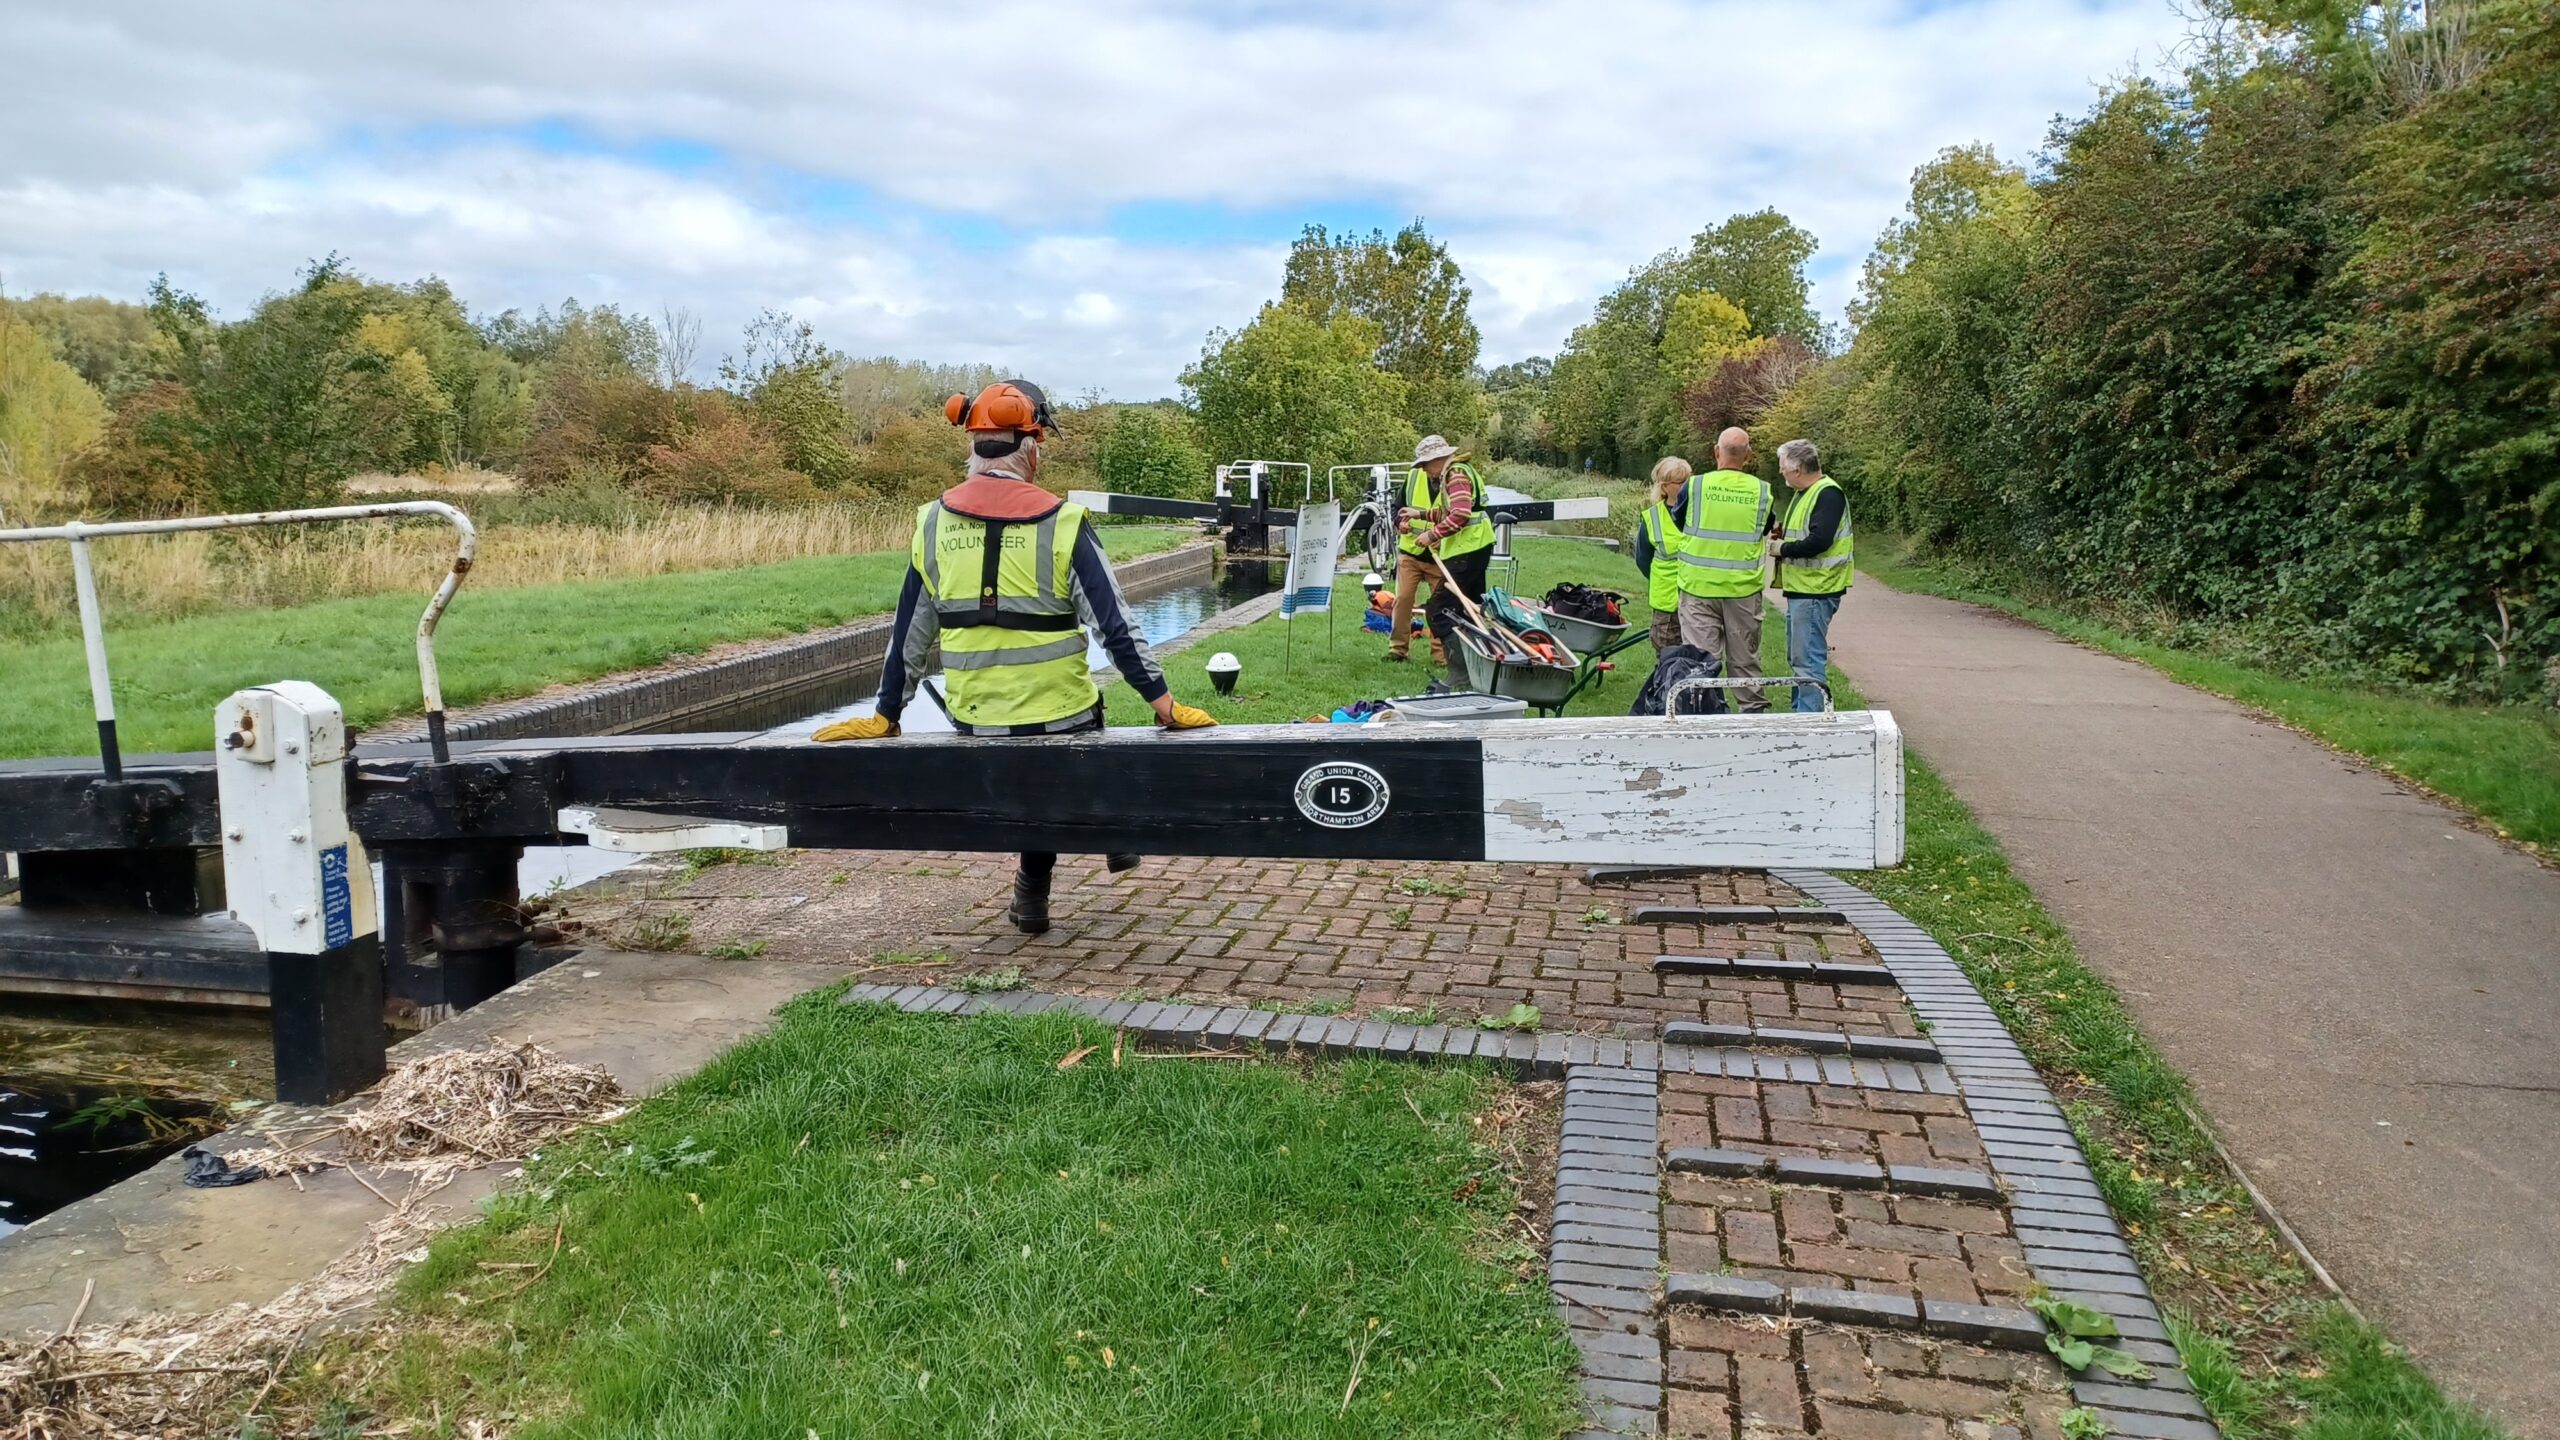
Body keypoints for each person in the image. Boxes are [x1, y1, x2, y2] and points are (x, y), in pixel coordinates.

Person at [811, 379, 1217, 933]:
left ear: (973, 446)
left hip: (976, 721)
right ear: (1034, 448)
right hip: (1063, 719)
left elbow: (907, 635)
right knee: (1084, 721)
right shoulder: (1064, 522)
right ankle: (1109, 834)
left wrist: (887, 714)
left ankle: (1037, 891)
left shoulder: (931, 523)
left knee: (1033, 763)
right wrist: (1164, 704)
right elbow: (1117, 629)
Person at [1674, 426, 1775, 710]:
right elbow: (1764, 528)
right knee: (1745, 659)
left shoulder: (1695, 486)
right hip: (1742, 590)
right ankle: (1753, 716)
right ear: (1748, 456)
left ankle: (1702, 715)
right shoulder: (1762, 492)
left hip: (1698, 587)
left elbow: (1679, 520)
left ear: (1716, 452)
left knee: (1699, 660)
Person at [1388, 434, 1494, 672]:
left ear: (1438, 459)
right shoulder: (1458, 471)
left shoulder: (1455, 475)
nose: (1425, 471)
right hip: (1475, 548)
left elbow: (1460, 515)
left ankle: (1458, 668)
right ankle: (1476, 662)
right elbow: (1452, 510)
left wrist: (1431, 535)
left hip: (1467, 550)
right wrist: (1421, 514)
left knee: (1440, 611)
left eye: (1426, 465)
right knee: (1469, 609)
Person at [1771, 438, 1853, 713]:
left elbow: (1819, 542)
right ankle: (1802, 715)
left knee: (1807, 660)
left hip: (1817, 590)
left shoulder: (1827, 493)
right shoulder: (1805, 493)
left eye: (1783, 467)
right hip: (1805, 590)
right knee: (1799, 658)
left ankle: (1811, 720)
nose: (1780, 471)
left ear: (1797, 469)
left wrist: (1781, 548)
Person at [1629, 456, 1689, 652]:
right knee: (1667, 655)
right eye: (1681, 482)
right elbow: (1643, 559)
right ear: (1664, 487)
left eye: (1689, 480)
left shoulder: (1699, 513)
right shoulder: (1652, 517)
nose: (1687, 485)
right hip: (1667, 603)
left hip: (1697, 598)